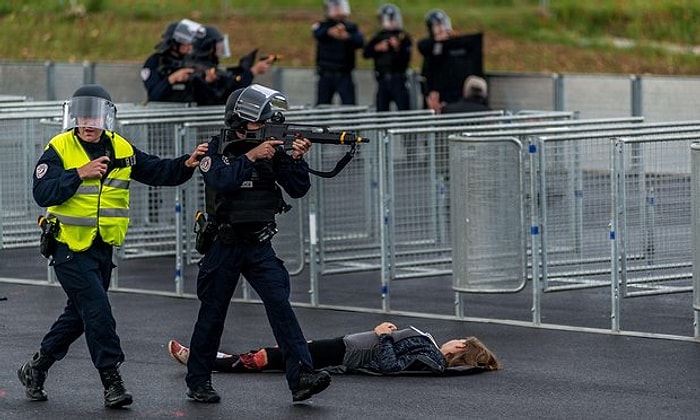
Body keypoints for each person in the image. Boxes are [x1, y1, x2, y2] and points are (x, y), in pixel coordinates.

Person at [18, 84, 208, 408]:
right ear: (74, 118)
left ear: (105, 117)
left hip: (102, 247)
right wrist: (79, 173)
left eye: (94, 117)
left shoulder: (120, 147)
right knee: (98, 311)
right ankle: (112, 382)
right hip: (67, 246)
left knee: (79, 317)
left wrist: (186, 164)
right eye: (83, 118)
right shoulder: (59, 147)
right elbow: (42, 192)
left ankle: (36, 367)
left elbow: (155, 170)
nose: (88, 124)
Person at [185, 84, 331, 404]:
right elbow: (220, 180)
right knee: (213, 314)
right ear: (239, 122)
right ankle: (198, 380)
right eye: (257, 122)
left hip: (259, 244)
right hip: (224, 243)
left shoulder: (271, 149)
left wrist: (294, 158)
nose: (264, 128)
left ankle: (301, 376)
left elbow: (298, 188)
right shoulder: (216, 148)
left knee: (281, 306)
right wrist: (252, 155)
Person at [168, 322, 502, 375]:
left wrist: (383, 334)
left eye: (457, 340)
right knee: (281, 350)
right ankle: (214, 357)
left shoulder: (431, 357)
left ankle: (202, 362)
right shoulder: (429, 350)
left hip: (347, 353)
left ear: (459, 346)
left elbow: (391, 366)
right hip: (346, 345)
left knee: (276, 357)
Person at [417, 9, 484, 112]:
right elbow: (422, 46)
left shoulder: (457, 45)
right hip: (438, 93)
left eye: (442, 24)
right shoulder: (430, 47)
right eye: (437, 26)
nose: (441, 28)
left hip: (456, 92)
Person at [190, 25, 274, 105]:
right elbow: (231, 89)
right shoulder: (201, 68)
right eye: (218, 44)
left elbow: (230, 79)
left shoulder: (204, 65)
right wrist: (253, 71)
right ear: (209, 46)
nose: (221, 47)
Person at [141, 18, 214, 104]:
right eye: (186, 42)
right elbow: (154, 95)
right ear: (175, 43)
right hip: (162, 111)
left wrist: (208, 82)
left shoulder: (193, 61)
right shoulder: (155, 61)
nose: (190, 47)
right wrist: (172, 79)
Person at [312, 0, 364, 105]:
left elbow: (360, 42)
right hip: (326, 72)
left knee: (349, 106)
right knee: (322, 105)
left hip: (344, 73)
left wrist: (347, 37)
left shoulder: (350, 27)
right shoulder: (323, 26)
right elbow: (318, 33)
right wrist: (330, 32)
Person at [362, 3, 413, 112]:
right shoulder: (379, 37)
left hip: (398, 78)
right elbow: (366, 53)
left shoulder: (403, 37)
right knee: (381, 110)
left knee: (404, 109)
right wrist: (377, 48)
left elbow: (406, 58)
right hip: (382, 79)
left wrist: (396, 48)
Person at [427, 75, 491, 114]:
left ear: (465, 91)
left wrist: (434, 110)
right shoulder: (488, 114)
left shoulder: (447, 110)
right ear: (485, 94)